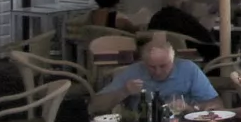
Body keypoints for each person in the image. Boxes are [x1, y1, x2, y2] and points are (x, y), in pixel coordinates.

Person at [91, 37, 220, 114]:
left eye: (163, 66)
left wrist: (190, 108)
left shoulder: (188, 69)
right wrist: (124, 91)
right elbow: (94, 107)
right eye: (152, 67)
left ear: (173, 61)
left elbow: (217, 106)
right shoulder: (133, 71)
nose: (158, 72)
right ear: (143, 63)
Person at [148, 0, 216, 53]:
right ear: (183, 4)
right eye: (188, 3)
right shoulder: (185, 18)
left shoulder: (156, 16)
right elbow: (208, 39)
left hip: (164, 53)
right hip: (190, 52)